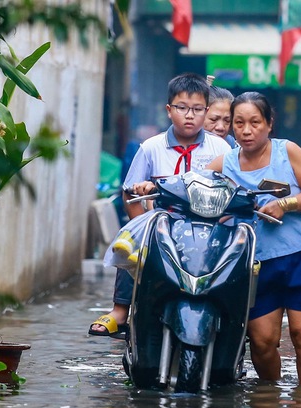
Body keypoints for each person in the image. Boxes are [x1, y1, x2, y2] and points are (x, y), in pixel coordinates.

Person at [206, 91, 301, 386]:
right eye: (238, 123)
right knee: (263, 342)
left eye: (255, 122)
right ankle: (270, 399)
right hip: (254, 263)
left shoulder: (287, 151)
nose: (246, 130)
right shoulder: (224, 164)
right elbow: (193, 186)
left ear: (269, 123)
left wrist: (285, 204)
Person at [88, 72, 231, 337]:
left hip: (206, 230)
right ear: (168, 110)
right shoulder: (151, 148)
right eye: (182, 108)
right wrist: (139, 225)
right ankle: (121, 310)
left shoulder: (221, 148)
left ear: (205, 111)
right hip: (161, 229)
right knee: (131, 246)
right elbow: (130, 192)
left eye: (197, 109)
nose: (189, 115)